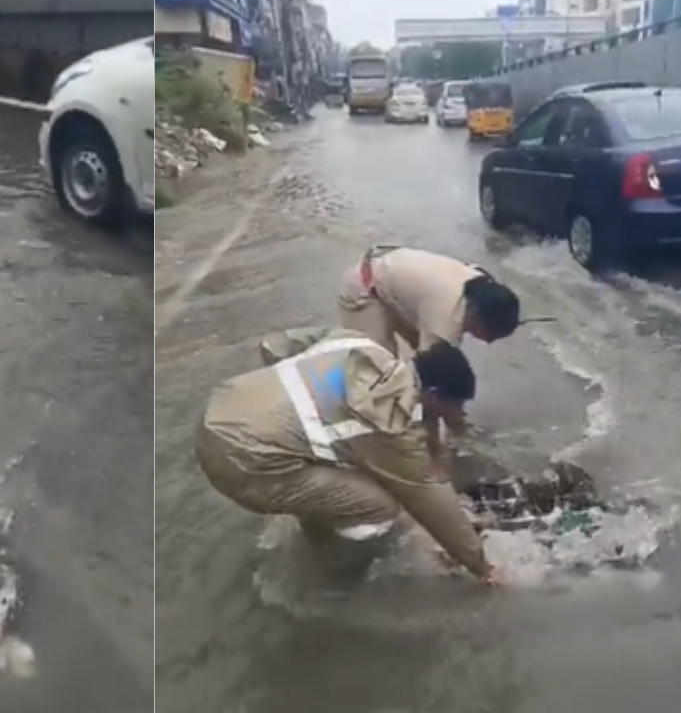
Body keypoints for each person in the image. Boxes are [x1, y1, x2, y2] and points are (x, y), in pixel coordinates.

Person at [196, 327, 503, 586]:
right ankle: (333, 572)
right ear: (434, 395)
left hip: (221, 409)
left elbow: (275, 346)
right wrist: (480, 566)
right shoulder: (393, 422)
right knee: (381, 505)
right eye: (457, 405)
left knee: (328, 454)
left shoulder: (357, 344)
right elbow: (429, 499)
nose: (459, 413)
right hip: (242, 463)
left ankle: (314, 522)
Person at [338, 245, 521, 466]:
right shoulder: (445, 318)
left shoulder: (480, 287)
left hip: (402, 287)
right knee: (380, 378)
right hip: (366, 288)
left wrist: (456, 421)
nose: (490, 341)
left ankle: (454, 428)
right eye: (490, 334)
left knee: (431, 375)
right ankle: (369, 446)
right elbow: (431, 386)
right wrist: (436, 451)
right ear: (474, 316)